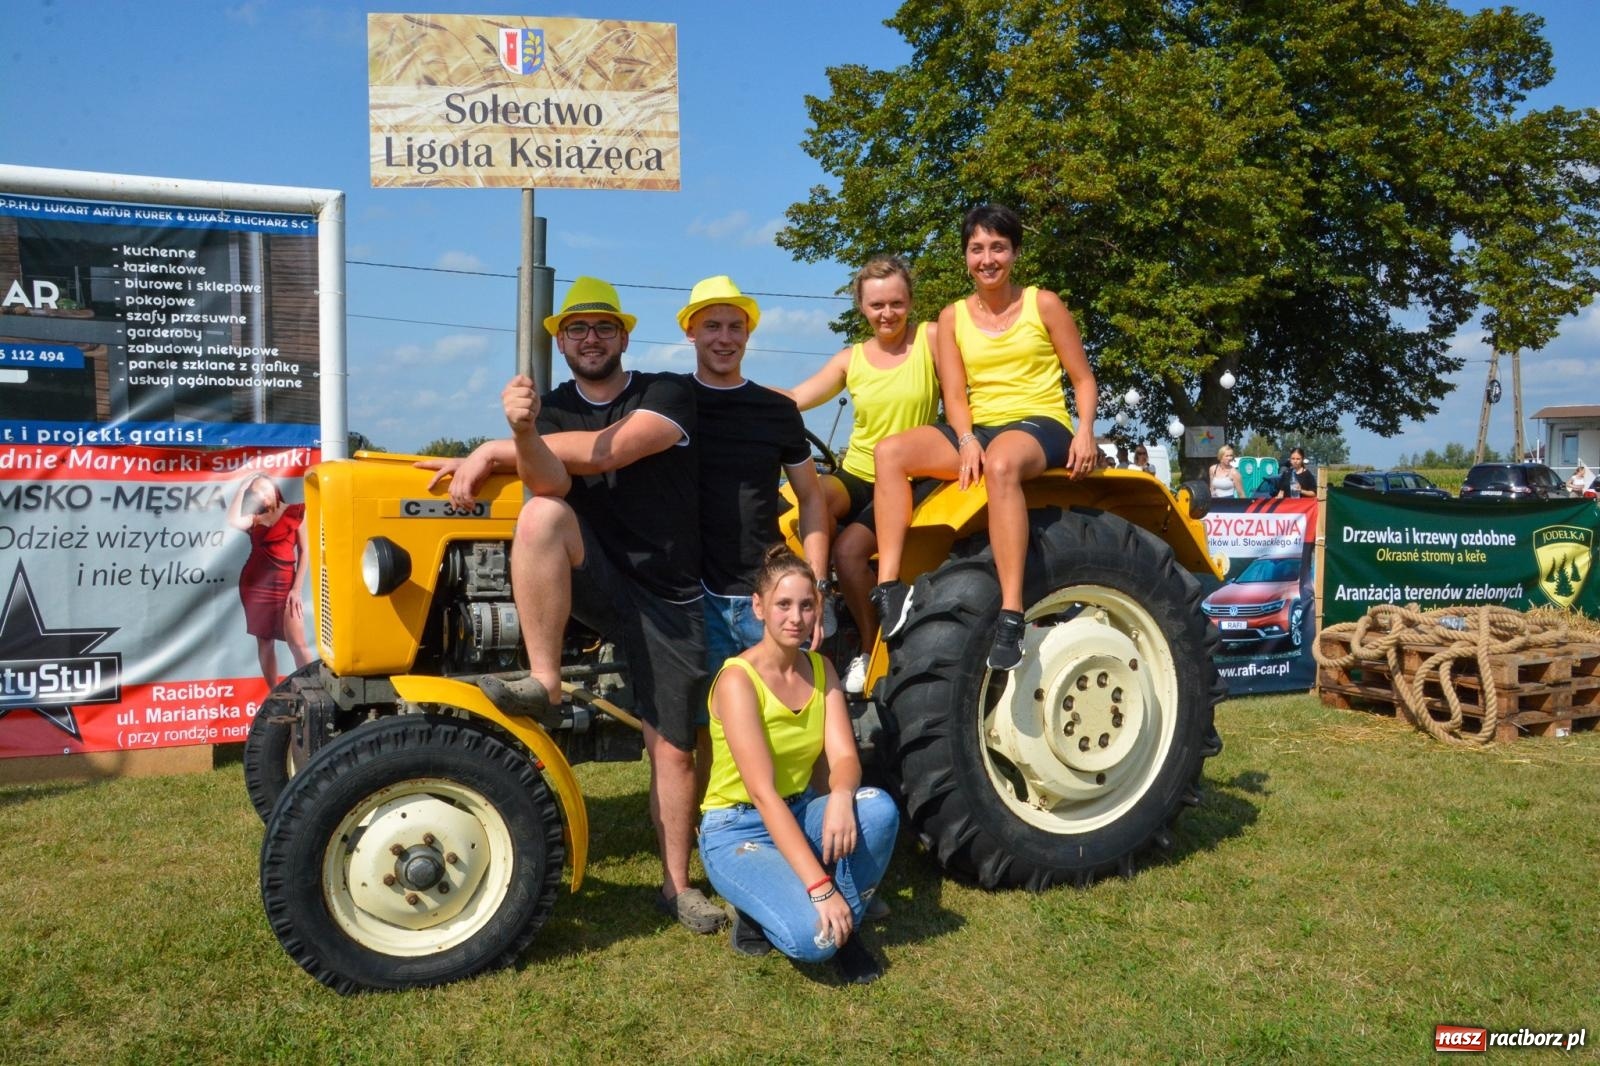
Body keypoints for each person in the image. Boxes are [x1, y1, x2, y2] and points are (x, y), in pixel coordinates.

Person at [417, 277, 725, 936]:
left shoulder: (667, 393)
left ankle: (676, 885)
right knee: (540, 517)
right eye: (577, 329)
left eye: (603, 328)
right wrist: (523, 433)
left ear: (623, 336)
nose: (591, 339)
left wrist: (494, 448)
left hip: (668, 594)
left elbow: (606, 450)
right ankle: (545, 680)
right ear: (560, 341)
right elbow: (552, 477)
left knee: (672, 749)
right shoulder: (553, 409)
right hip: (598, 580)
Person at [868, 203, 1099, 671]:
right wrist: (967, 437)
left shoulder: (1043, 303)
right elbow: (954, 391)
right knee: (890, 452)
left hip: (1040, 422)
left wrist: (1086, 431)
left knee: (1000, 464)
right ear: (965, 256)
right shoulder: (952, 316)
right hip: (981, 426)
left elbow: (1083, 379)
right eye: (977, 249)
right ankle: (889, 588)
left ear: (1014, 252)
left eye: (998, 247)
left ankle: (1012, 612)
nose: (987, 258)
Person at [699, 545, 899, 984]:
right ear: (759, 608)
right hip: (738, 829)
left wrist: (843, 795)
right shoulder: (738, 680)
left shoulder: (821, 668)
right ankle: (783, 909)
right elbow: (762, 794)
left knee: (878, 808)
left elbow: (845, 756)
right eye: (783, 605)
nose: (796, 617)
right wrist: (820, 887)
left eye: (806, 606)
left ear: (818, 609)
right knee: (812, 942)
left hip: (800, 809)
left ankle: (844, 924)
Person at [779, 255, 941, 692]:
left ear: (910, 301)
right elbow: (795, 396)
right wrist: (732, 388)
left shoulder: (930, 340)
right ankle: (823, 596)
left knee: (850, 551)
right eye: (876, 305)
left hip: (910, 476)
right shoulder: (852, 358)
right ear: (862, 308)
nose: (887, 314)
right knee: (800, 502)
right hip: (858, 472)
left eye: (896, 303)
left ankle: (871, 652)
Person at [678, 275, 830, 674]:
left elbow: (811, 498)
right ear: (690, 331)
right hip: (692, 597)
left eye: (735, 327)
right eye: (712, 326)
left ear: (748, 334)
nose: (724, 338)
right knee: (703, 722)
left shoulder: (777, 409)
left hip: (764, 596)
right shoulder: (669, 401)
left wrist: (816, 584)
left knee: (780, 715)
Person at [227, 474, 313, 687]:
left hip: (285, 583)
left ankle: (314, 688)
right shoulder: (254, 518)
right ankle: (274, 693)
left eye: (265, 489)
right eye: (257, 494)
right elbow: (233, 520)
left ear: (274, 488)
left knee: (298, 642)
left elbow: (305, 551)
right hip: (254, 584)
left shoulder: (298, 512)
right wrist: (242, 488)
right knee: (264, 641)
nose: (263, 496)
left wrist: (297, 589)